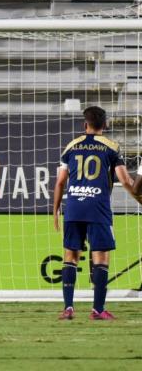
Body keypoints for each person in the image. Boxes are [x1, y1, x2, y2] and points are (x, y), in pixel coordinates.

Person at [53, 106, 142, 320]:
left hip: (73, 207)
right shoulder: (111, 147)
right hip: (98, 208)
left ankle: (68, 308)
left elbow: (60, 182)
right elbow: (126, 181)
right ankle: (98, 310)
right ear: (105, 125)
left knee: (70, 256)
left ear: (85, 125)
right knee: (101, 258)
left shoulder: (71, 146)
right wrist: (139, 199)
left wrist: (55, 210)